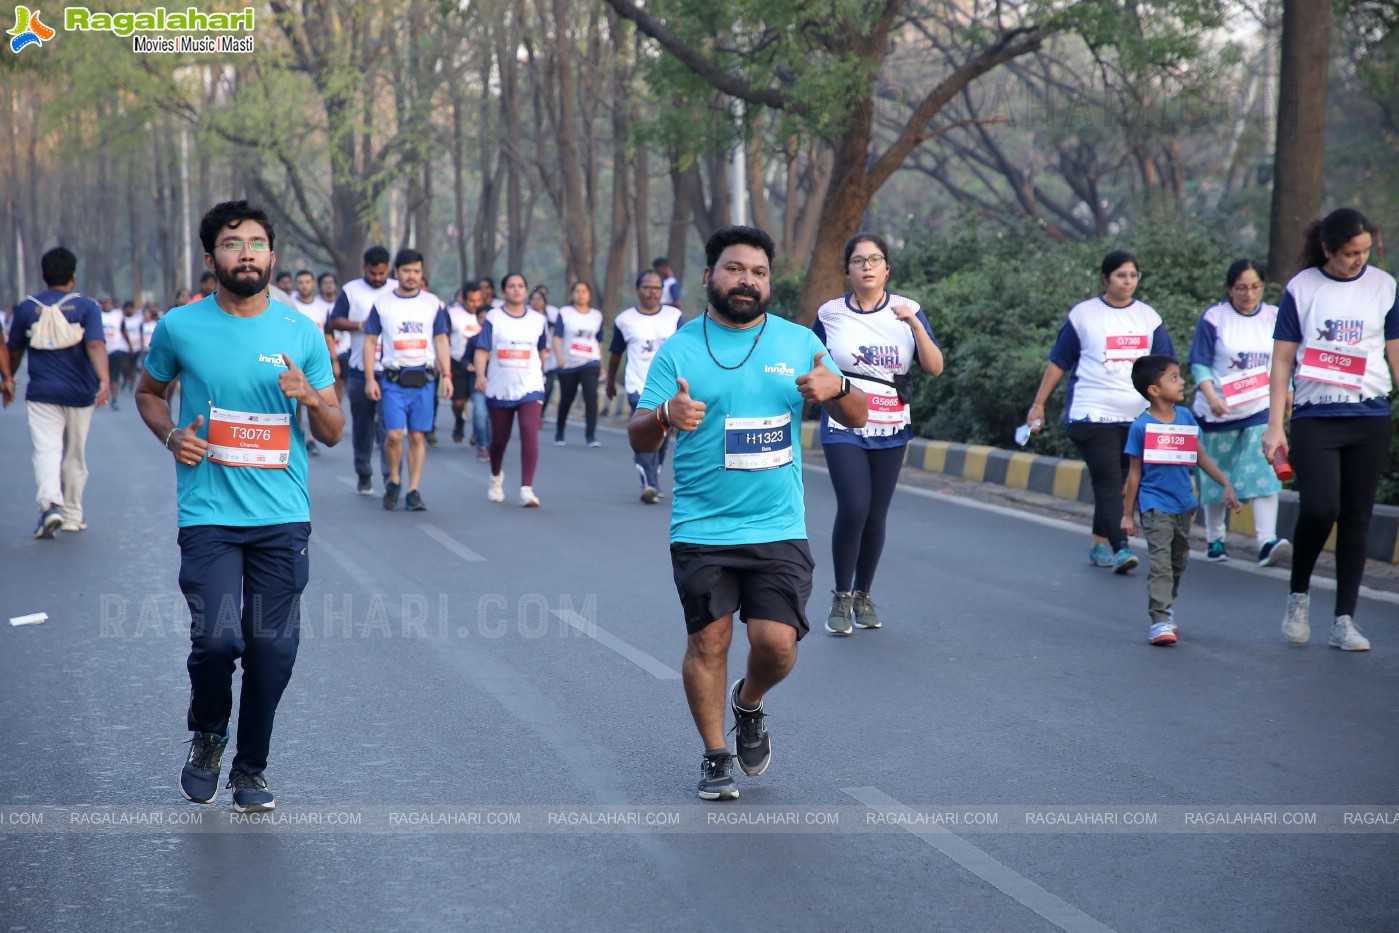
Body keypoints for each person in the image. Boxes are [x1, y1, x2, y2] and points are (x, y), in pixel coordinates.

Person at [629, 225, 868, 801]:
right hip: (702, 525)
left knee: (777, 644)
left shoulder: (796, 342)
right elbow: (639, 437)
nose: (747, 280)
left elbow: (859, 415)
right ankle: (715, 755)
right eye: (735, 269)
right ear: (710, 276)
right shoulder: (680, 348)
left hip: (777, 524)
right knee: (707, 644)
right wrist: (666, 413)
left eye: (759, 272)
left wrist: (835, 390)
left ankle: (749, 702)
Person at [134, 200, 343, 812]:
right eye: (232, 243)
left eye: (256, 242)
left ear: (273, 257)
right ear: (211, 258)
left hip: (282, 516)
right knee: (219, 640)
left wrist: (311, 396)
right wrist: (171, 434)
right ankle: (207, 734)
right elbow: (149, 392)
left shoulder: (301, 332)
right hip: (209, 516)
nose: (246, 251)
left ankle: (250, 769)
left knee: (273, 649)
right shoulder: (180, 326)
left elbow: (331, 430)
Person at [1263, 208, 1399, 652]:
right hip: (1314, 414)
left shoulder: (1384, 286)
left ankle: (1344, 620)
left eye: (1363, 252)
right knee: (1320, 509)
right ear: (1327, 250)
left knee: (1357, 518)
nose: (1358, 260)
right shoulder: (1303, 289)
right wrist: (1274, 425)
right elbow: (1282, 359)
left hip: (1370, 414)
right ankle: (1298, 596)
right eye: (1348, 254)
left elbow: (1394, 351)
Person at [814, 232, 943, 634]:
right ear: (848, 270)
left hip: (892, 424)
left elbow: (935, 367)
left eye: (875, 260)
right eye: (859, 260)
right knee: (854, 506)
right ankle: (841, 594)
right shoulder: (831, 313)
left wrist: (915, 326)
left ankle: (864, 592)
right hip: (844, 424)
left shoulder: (908, 310)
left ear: (887, 268)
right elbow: (813, 360)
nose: (867, 267)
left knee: (875, 514)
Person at [1026, 251, 1175, 573]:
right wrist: (1038, 404)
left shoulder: (1148, 317)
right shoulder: (1084, 315)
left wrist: (1169, 409)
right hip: (1091, 414)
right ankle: (1121, 547)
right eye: (1121, 275)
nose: (1128, 282)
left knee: (1124, 480)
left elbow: (1166, 367)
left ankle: (1098, 543)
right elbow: (1059, 362)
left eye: (1133, 275)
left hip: (1137, 417)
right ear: (1105, 278)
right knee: (1109, 481)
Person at [1122, 355, 1240, 645]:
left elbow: (1199, 457)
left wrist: (1225, 483)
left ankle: (1167, 606)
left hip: (1184, 505)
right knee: (1160, 564)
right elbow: (1134, 474)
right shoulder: (1141, 427)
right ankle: (1159, 620)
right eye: (1174, 378)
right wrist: (1128, 515)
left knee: (1178, 562)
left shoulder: (1186, 417)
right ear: (1154, 390)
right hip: (1154, 505)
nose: (1182, 381)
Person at [1188, 259, 1290, 566]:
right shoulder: (1215, 318)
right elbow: (1199, 362)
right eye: (1241, 288)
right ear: (1230, 289)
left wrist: (1288, 395)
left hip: (1260, 409)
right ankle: (1215, 539)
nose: (1249, 294)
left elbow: (1285, 360)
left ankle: (1266, 542)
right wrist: (1211, 395)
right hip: (1218, 412)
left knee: (1264, 471)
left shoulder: (1274, 317)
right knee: (1219, 476)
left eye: (1255, 287)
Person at [5, 247, 110, 537]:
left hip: (41, 393)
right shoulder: (87, 307)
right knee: (74, 455)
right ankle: (73, 515)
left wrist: (8, 380)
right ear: (73, 277)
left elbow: (13, 351)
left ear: (43, 275)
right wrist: (103, 380)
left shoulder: (27, 308)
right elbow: (96, 345)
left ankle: (50, 506)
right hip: (80, 394)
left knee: (47, 451)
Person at [363, 249, 452, 511]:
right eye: (406, 271)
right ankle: (394, 479)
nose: (411, 276)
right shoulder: (382, 304)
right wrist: (371, 378)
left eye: (416, 271)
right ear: (397, 272)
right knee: (393, 435)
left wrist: (447, 375)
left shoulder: (432, 304)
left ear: (422, 273)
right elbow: (370, 341)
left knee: (416, 437)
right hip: (392, 380)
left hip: (424, 380)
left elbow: (441, 340)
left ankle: (413, 490)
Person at [608, 269, 684, 502]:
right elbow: (615, 354)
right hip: (638, 387)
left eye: (656, 288)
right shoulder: (625, 320)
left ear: (663, 291)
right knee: (644, 430)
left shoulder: (674, 316)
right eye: (647, 287)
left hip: (668, 388)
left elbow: (685, 352)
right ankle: (649, 483)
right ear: (637, 290)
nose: (652, 292)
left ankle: (652, 478)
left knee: (661, 436)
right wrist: (611, 381)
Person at [475, 273, 550, 506]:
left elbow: (541, 351)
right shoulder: (494, 318)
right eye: (511, 286)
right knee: (499, 439)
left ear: (526, 291)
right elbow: (482, 350)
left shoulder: (538, 320)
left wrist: (541, 374)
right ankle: (496, 478)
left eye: (520, 286)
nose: (516, 290)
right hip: (500, 387)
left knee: (529, 431)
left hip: (530, 386)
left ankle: (527, 488)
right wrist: (480, 374)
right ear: (504, 291)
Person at [328, 247, 398, 495]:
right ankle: (364, 472)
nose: (377, 277)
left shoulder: (397, 291)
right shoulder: (351, 290)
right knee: (363, 425)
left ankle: (392, 477)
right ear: (364, 268)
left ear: (389, 269)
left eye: (382, 273)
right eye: (372, 272)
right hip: (359, 370)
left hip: (390, 370)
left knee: (390, 428)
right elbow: (334, 321)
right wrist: (361, 324)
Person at [289, 269, 339, 457]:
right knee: (297, 401)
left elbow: (328, 334)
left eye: (307, 282)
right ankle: (299, 431)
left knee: (316, 400)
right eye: (300, 282)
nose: (304, 286)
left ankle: (311, 438)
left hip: (317, 360)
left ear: (313, 284)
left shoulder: (322, 306)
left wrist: (333, 359)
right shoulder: (290, 304)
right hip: (296, 358)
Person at [552, 281, 604, 447]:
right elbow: (557, 337)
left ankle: (591, 436)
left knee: (591, 398)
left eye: (584, 291)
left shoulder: (596, 315)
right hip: (568, 363)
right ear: (572, 294)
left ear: (589, 295)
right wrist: (559, 356)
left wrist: (602, 364)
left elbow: (599, 341)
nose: (581, 294)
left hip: (590, 361)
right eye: (577, 291)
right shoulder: (565, 313)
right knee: (567, 399)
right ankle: (560, 432)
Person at [446, 282, 484, 445]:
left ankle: (478, 433)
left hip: (480, 365)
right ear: (463, 298)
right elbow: (443, 338)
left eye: (478, 300)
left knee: (479, 404)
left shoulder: (487, 314)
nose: (475, 304)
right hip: (457, 361)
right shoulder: (452, 314)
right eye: (471, 300)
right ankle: (459, 422)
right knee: (458, 402)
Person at [461, 292, 493, 462]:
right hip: (478, 383)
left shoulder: (501, 339)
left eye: (488, 318)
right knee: (480, 413)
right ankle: (482, 446)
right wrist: (469, 365)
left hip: (497, 384)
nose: (485, 321)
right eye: (481, 318)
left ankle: (490, 445)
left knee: (492, 418)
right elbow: (464, 358)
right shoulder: (474, 340)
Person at [531, 286, 561, 411]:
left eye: (540, 299)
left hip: (550, 356)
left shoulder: (552, 315)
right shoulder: (526, 316)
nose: (537, 302)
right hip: (532, 356)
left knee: (548, 387)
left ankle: (541, 411)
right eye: (534, 299)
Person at [319, 272, 348, 402]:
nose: (328, 286)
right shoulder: (317, 304)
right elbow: (328, 333)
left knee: (339, 387)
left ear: (336, 286)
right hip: (324, 352)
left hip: (344, 351)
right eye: (325, 283)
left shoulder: (343, 304)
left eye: (331, 283)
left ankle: (337, 414)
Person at [99, 295, 131, 411]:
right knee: (100, 377)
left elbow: (124, 330)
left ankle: (114, 399)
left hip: (115, 349)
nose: (106, 304)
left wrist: (129, 345)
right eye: (103, 302)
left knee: (114, 377)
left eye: (107, 302)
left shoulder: (117, 315)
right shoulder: (97, 315)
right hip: (100, 350)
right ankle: (100, 398)